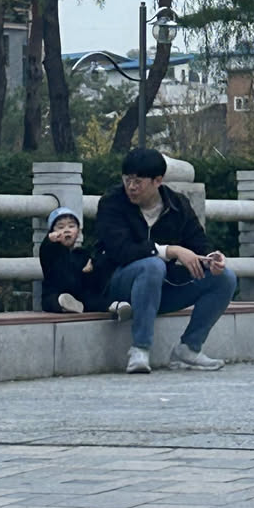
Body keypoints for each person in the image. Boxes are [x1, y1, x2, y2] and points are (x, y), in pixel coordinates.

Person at [93, 146, 237, 374]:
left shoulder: (177, 205)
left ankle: (189, 349)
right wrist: (170, 250)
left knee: (224, 278)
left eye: (138, 181)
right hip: (117, 286)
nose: (131, 187)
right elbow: (121, 251)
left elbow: (198, 242)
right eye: (127, 179)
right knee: (153, 265)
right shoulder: (112, 202)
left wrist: (212, 259)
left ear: (157, 181)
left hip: (160, 288)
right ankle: (140, 349)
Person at [38, 206, 107, 314]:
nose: (66, 230)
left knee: (94, 299)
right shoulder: (51, 252)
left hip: (79, 295)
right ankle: (65, 304)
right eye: (60, 227)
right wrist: (50, 240)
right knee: (53, 300)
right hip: (56, 293)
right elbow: (45, 250)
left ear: (78, 231)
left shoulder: (81, 254)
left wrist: (90, 267)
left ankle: (113, 305)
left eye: (71, 226)